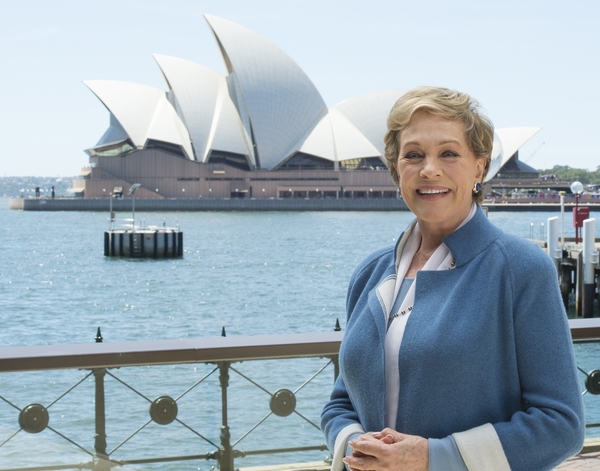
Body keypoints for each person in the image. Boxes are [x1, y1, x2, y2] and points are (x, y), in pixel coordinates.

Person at [321, 86, 584, 471]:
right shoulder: (371, 273)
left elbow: (561, 426)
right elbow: (341, 400)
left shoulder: (520, 268)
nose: (430, 169)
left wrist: (431, 458)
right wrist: (355, 446)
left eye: (448, 153)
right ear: (396, 169)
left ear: (479, 167)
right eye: (413, 155)